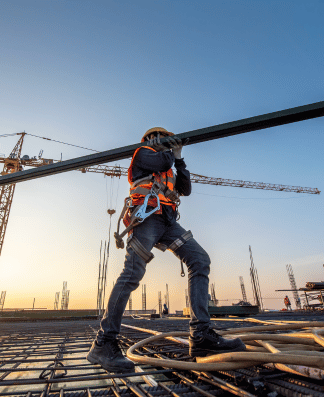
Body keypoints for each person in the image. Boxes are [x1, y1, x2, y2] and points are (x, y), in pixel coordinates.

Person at [86, 127, 245, 372]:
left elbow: (186, 188)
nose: (161, 140)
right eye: (157, 136)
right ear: (149, 140)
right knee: (131, 275)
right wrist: (171, 150)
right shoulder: (143, 154)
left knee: (199, 259)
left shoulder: (169, 164)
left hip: (167, 221)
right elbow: (162, 159)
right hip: (146, 218)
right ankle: (104, 343)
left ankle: (201, 336)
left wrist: (180, 159)